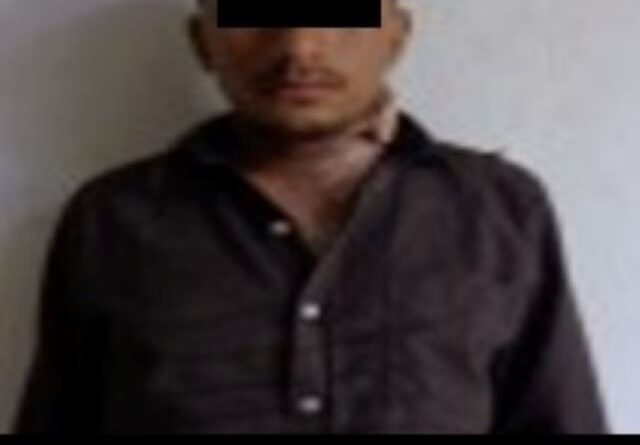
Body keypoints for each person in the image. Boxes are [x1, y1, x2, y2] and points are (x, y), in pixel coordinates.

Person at [14, 0, 608, 434]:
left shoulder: (498, 211)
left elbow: (558, 420)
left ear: (397, 35)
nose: (300, 47)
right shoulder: (113, 222)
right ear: (201, 41)